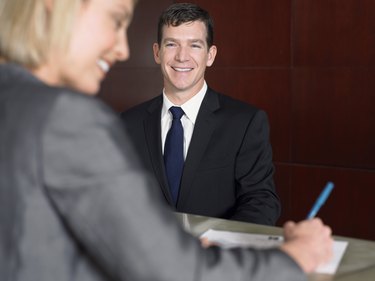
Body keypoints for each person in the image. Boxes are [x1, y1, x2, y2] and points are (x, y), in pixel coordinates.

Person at [0, 0, 333, 280]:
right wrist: (293, 259)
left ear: (210, 54)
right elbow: (171, 269)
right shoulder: (71, 116)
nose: (122, 49)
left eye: (194, 45)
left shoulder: (13, 98)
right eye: (116, 20)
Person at [121, 3, 280, 225]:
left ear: (210, 55)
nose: (182, 57)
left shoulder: (245, 123)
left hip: (215, 255)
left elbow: (261, 202)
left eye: (194, 45)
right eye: (172, 44)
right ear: (157, 52)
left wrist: (220, 246)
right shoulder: (126, 125)